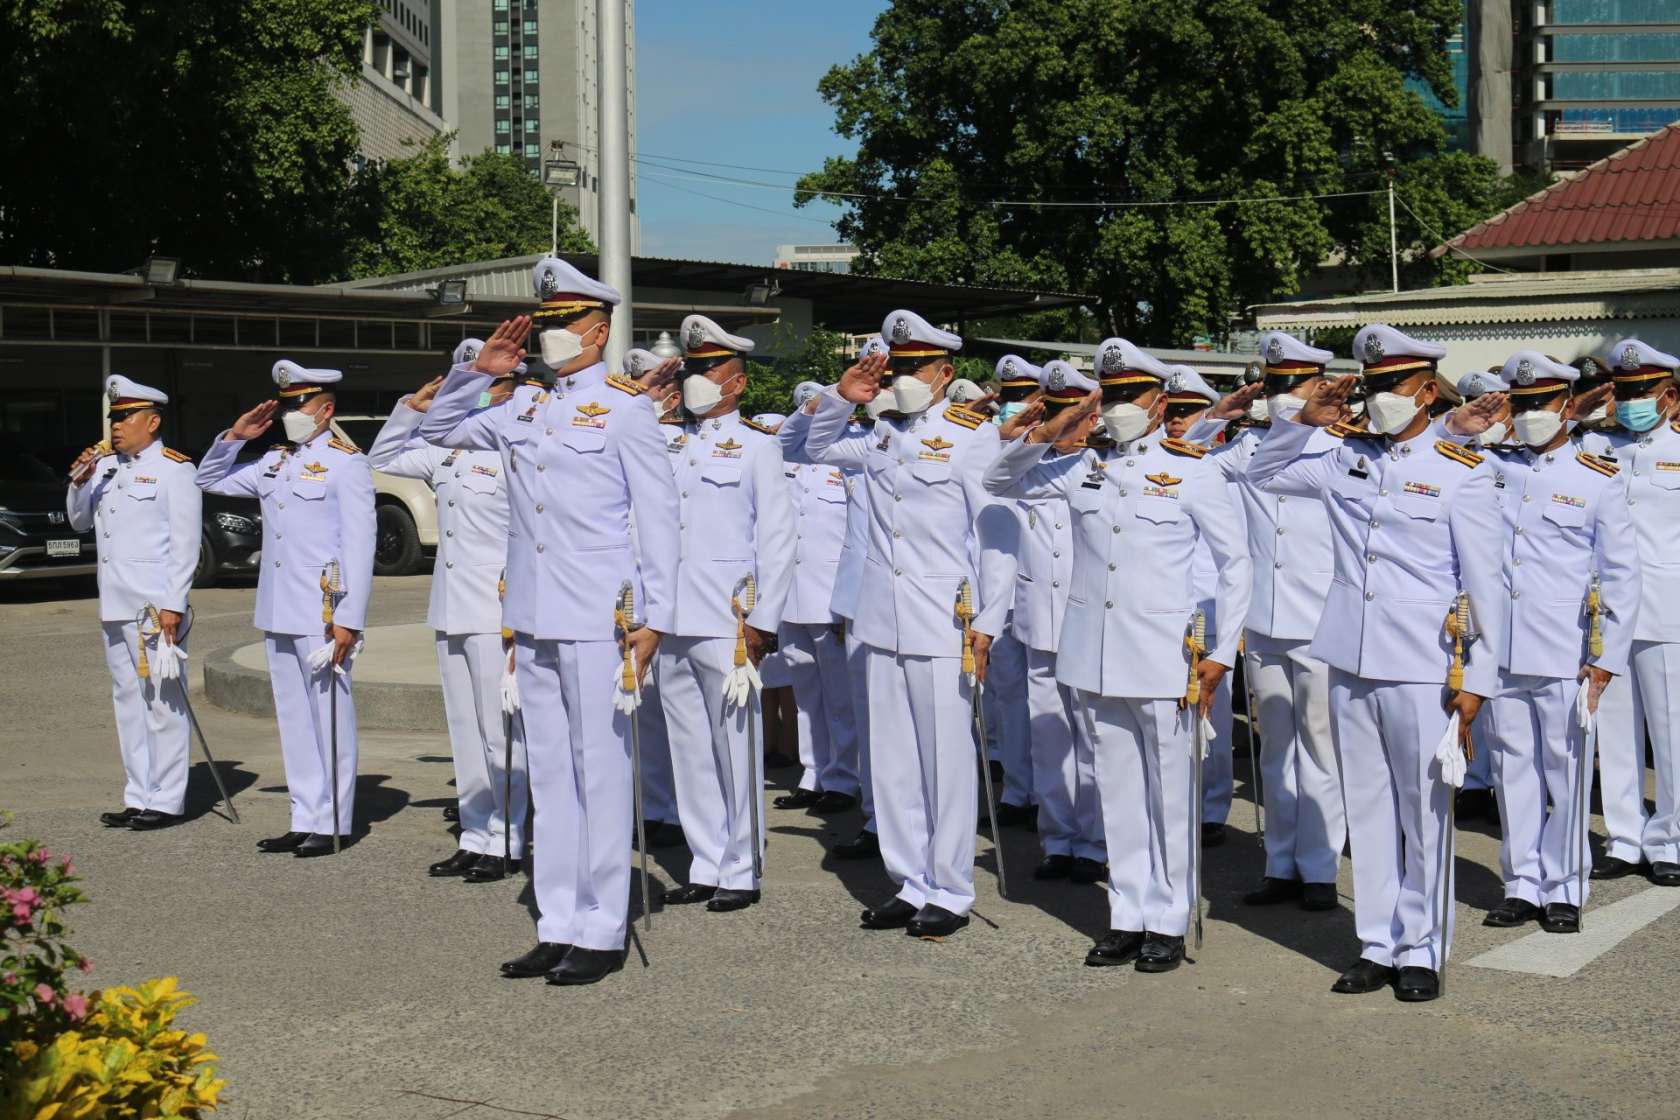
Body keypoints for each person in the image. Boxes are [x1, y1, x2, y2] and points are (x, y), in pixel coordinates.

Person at [418, 257, 681, 985]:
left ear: (598, 332)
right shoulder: (523, 407)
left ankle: (602, 928)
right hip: (532, 615)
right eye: (546, 323)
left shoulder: (626, 409)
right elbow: (438, 429)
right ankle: (558, 920)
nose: (551, 334)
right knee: (552, 775)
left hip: (600, 617)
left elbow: (659, 519)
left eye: (565, 322)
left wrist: (654, 618)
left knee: (600, 771)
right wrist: (477, 374)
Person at [1245, 324, 1507, 1002]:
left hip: (1423, 664)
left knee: (1423, 813)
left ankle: (1422, 949)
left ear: (1426, 391)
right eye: (1374, 385)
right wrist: (1303, 420)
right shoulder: (1342, 457)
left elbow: (1486, 587)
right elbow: (1260, 474)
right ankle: (1377, 944)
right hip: (1349, 655)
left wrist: (1478, 681)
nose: (1381, 396)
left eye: (1394, 384)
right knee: (1366, 808)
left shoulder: (1462, 472)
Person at [984, 337, 1251, 973]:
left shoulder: (1193, 470)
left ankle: (1169, 919)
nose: (1120, 407)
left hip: (1165, 659)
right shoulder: (1082, 466)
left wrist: (1222, 653)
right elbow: (997, 479)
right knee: (1119, 792)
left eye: (1133, 395)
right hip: (1096, 656)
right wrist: (1057, 425)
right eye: (1112, 396)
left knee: (1168, 794)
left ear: (1159, 403)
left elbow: (1235, 565)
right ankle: (1127, 914)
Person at [803, 309, 1011, 939]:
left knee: (944, 760)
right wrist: (842, 396)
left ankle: (949, 889)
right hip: (879, 618)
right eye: (898, 368)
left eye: (917, 368)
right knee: (890, 760)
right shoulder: (880, 433)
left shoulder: (972, 435)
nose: (904, 378)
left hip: (943, 619)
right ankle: (909, 880)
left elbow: (997, 535)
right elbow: (812, 448)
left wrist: (989, 620)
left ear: (945, 372)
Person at [1188, 333, 1347, 912]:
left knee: (1320, 746)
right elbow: (1182, 464)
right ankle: (1281, 863)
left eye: (1293, 385)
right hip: (1263, 619)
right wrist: (1215, 416)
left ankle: (1320, 867)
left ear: (1319, 386)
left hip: (1319, 619)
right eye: (1275, 385)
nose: (1282, 395)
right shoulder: (1249, 446)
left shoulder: (1341, 446)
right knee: (1275, 750)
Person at [1480, 350, 1637, 933]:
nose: (1529, 414)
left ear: (1567, 406)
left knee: (1566, 772)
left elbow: (1621, 575)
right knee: (1511, 770)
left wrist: (1606, 658)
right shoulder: (1491, 467)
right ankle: (1521, 883)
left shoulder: (1596, 478)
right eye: (1520, 404)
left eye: (1540, 403)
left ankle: (1565, 885)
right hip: (1499, 650)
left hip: (1565, 652)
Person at [196, 361, 375, 858]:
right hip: (278, 608)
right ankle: (305, 816)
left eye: (300, 404)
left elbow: (360, 545)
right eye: (287, 405)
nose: (290, 413)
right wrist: (235, 436)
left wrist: (350, 617)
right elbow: (207, 479)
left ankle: (335, 822)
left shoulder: (346, 463)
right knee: (295, 719)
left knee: (329, 716)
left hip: (323, 611)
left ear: (326, 410)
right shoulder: (274, 461)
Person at [367, 340, 525, 882]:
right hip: (452, 606)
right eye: (465, 382)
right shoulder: (447, 450)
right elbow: (382, 460)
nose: (471, 393)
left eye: (481, 382)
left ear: (505, 387)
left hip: (497, 608)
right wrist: (411, 409)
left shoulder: (517, 446)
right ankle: (476, 834)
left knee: (501, 732)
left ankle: (509, 837)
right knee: (464, 730)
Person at [655, 314, 795, 913]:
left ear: (736, 383)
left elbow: (778, 538)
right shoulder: (664, 441)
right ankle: (706, 861)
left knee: (735, 746)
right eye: (693, 368)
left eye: (709, 370)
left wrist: (764, 619)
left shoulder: (760, 446)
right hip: (669, 616)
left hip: (728, 620)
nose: (697, 379)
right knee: (688, 748)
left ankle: (741, 867)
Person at [68, 375, 202, 831]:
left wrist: (174, 603)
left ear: (153, 421)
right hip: (115, 602)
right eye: (115, 418)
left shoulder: (175, 469)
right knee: (128, 701)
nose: (117, 426)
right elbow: (79, 521)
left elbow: (185, 544)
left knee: (163, 701)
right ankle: (138, 793)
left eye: (126, 417)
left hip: (153, 607)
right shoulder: (107, 467)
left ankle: (167, 799)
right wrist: (80, 480)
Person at [1004, 360, 1107, 884]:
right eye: (1056, 412)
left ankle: (1095, 842)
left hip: (1088, 623)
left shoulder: (1107, 465)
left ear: (1092, 416)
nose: (1065, 423)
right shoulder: (1031, 466)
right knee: (1049, 739)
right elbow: (994, 477)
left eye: (1073, 412)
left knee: (1093, 737)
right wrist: (1037, 434)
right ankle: (1058, 838)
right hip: (1039, 622)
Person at [1591, 338, 1680, 887]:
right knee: (1615, 732)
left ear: (1670, 396)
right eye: (1624, 393)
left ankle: (1670, 838)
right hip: (1605, 612)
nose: (1631, 403)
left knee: (1671, 734)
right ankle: (1624, 838)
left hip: (1667, 610)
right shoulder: (1596, 446)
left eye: (1643, 393)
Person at [775, 380, 863, 815]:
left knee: (839, 695)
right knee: (806, 691)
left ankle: (844, 779)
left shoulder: (854, 450)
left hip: (831, 594)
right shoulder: (792, 454)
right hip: (789, 592)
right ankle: (813, 773)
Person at [1163, 364, 1240, 848]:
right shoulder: (1156, 465)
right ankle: (1178, 802)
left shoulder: (1222, 466)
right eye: (1171, 411)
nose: (1177, 421)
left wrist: (1236, 623)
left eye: (1188, 412)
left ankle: (1212, 806)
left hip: (1210, 608)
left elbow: (1240, 553)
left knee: (1212, 716)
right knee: (1168, 718)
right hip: (1163, 608)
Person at [827, 337, 892, 862]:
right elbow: (797, 445)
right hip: (859, 600)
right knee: (871, 720)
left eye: (886, 379)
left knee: (918, 730)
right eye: (874, 379)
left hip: (922, 607)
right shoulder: (857, 442)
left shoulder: (955, 440)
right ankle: (876, 819)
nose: (881, 390)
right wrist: (840, 396)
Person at [1450, 369, 1514, 818]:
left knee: (1502, 699)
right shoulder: (1457, 455)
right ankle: (1474, 779)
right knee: (1466, 683)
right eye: (1475, 403)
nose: (1483, 412)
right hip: (1465, 593)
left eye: (1493, 403)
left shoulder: (1517, 458)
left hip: (1513, 594)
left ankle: (1497, 783)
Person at [986, 355, 1041, 829]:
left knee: (1052, 704)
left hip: (1046, 598)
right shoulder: (987, 445)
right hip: (999, 597)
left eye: (1022, 398)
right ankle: (1018, 791)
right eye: (1007, 398)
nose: (1012, 407)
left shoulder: (1063, 451)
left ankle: (1055, 797)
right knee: (1008, 697)